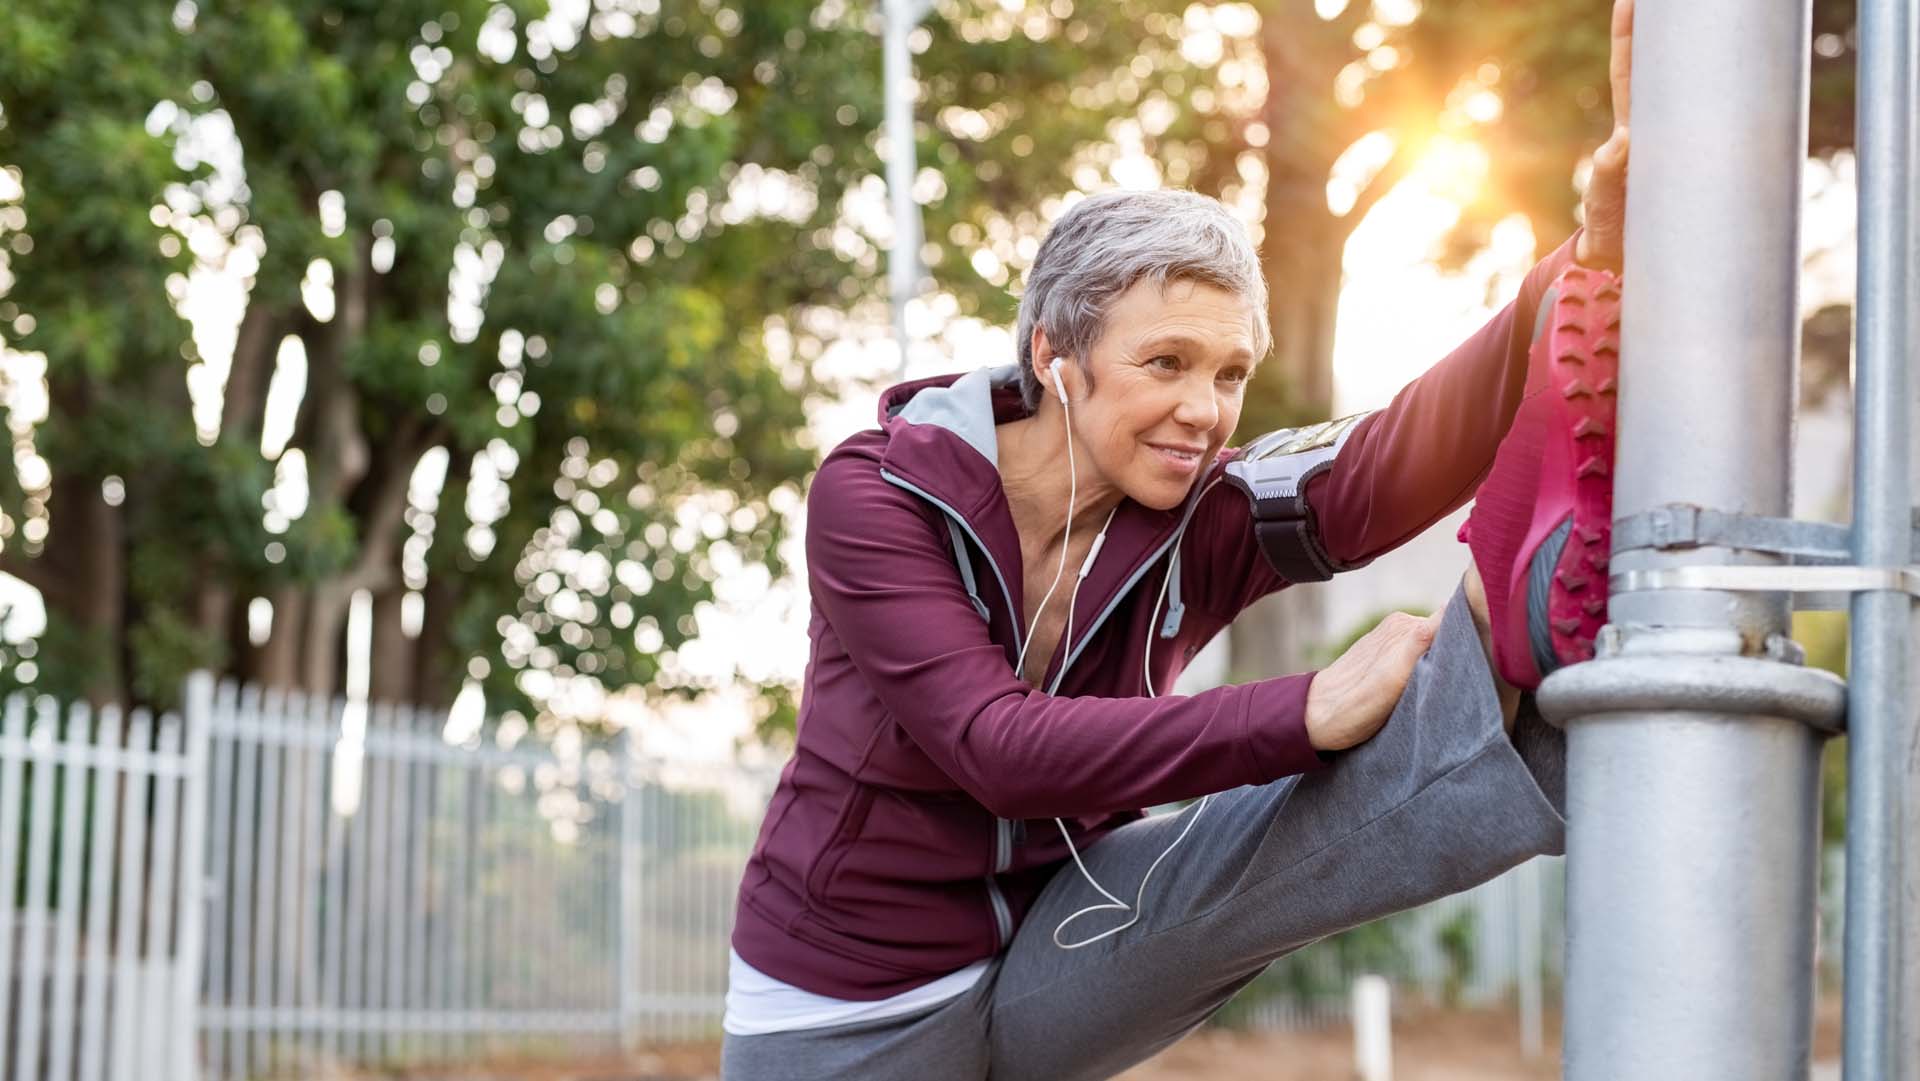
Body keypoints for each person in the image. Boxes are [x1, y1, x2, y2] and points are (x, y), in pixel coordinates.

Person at [722, 4, 1635, 1077]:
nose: (1205, 411)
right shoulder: (879, 495)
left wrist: (1588, 253)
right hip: (846, 1010)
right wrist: (1306, 706)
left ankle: (1506, 609)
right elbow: (996, 748)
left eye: (1230, 373)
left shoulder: (1193, 515)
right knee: (1298, 744)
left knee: (1255, 846)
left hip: (1065, 936)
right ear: (1057, 355)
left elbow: (1389, 462)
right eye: (1167, 363)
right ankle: (1504, 623)